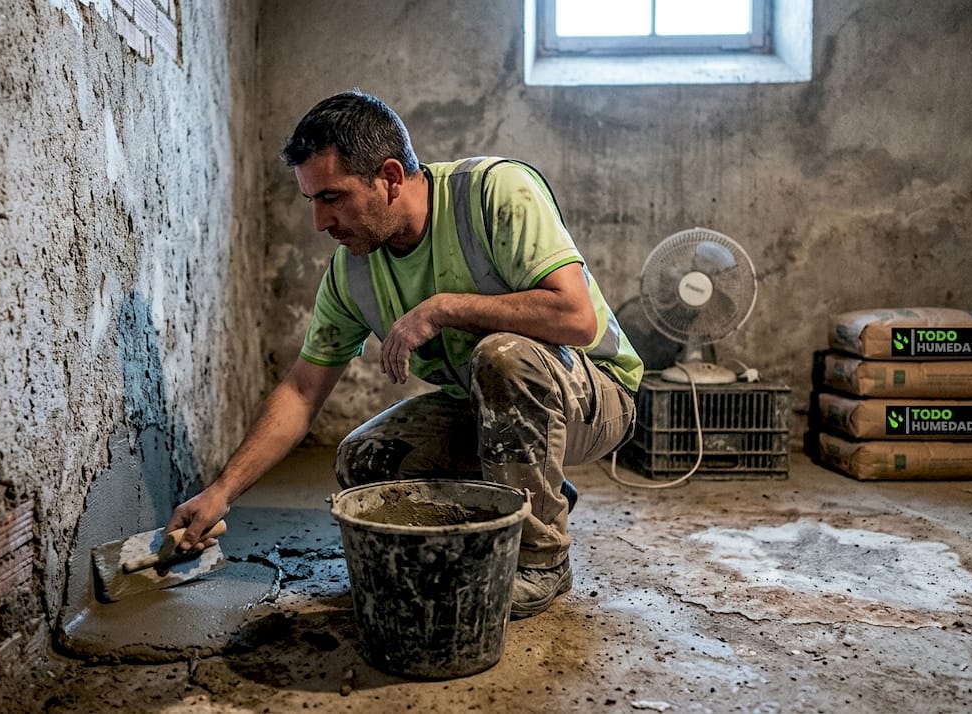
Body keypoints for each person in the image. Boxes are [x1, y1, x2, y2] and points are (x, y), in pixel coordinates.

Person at [167, 90, 642, 619]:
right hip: (494, 407)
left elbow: (576, 318)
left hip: (597, 395)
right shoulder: (352, 272)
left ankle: (541, 560)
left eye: (333, 197)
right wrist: (222, 492)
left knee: (503, 356)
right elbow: (302, 391)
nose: (320, 222)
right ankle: (529, 491)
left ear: (390, 177)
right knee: (366, 460)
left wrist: (443, 308)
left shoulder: (495, 193)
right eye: (313, 202)